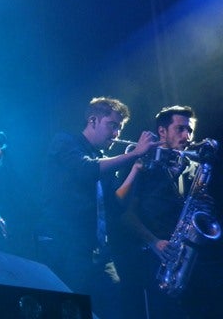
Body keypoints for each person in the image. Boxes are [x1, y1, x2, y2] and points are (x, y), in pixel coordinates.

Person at [36, 97, 158, 319]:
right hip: (65, 247)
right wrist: (134, 153)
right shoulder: (64, 142)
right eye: (112, 125)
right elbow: (86, 170)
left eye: (119, 128)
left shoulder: (103, 159)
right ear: (93, 120)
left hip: (98, 253)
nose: (116, 134)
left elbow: (117, 206)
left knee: (113, 310)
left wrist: (136, 168)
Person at [117, 105, 200, 319]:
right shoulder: (142, 163)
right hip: (148, 258)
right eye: (180, 129)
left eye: (190, 130)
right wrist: (153, 241)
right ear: (162, 131)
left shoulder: (192, 167)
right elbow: (124, 214)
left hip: (182, 259)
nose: (187, 136)